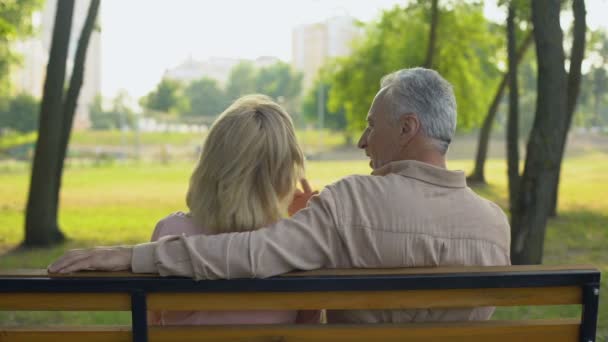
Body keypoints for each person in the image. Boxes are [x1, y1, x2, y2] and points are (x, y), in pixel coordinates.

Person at [49, 68, 511, 324]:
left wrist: (133, 256)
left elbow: (252, 252)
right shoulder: (495, 225)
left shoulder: (351, 203)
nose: (362, 141)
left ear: (408, 128)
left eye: (372, 125)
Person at [148, 94, 318, 325]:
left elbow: (154, 321)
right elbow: (307, 326)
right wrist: (306, 220)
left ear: (210, 164)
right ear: (284, 172)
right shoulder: (296, 243)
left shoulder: (170, 231)